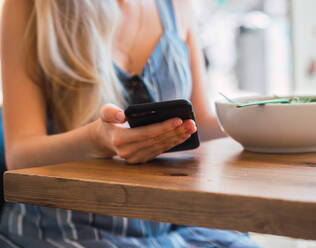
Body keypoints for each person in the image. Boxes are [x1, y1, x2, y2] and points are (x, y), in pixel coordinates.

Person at [0, 0, 261, 247]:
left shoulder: (176, 5)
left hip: (174, 226)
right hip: (64, 229)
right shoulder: (30, 6)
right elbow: (19, 155)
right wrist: (97, 141)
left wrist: (268, 121)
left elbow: (199, 125)